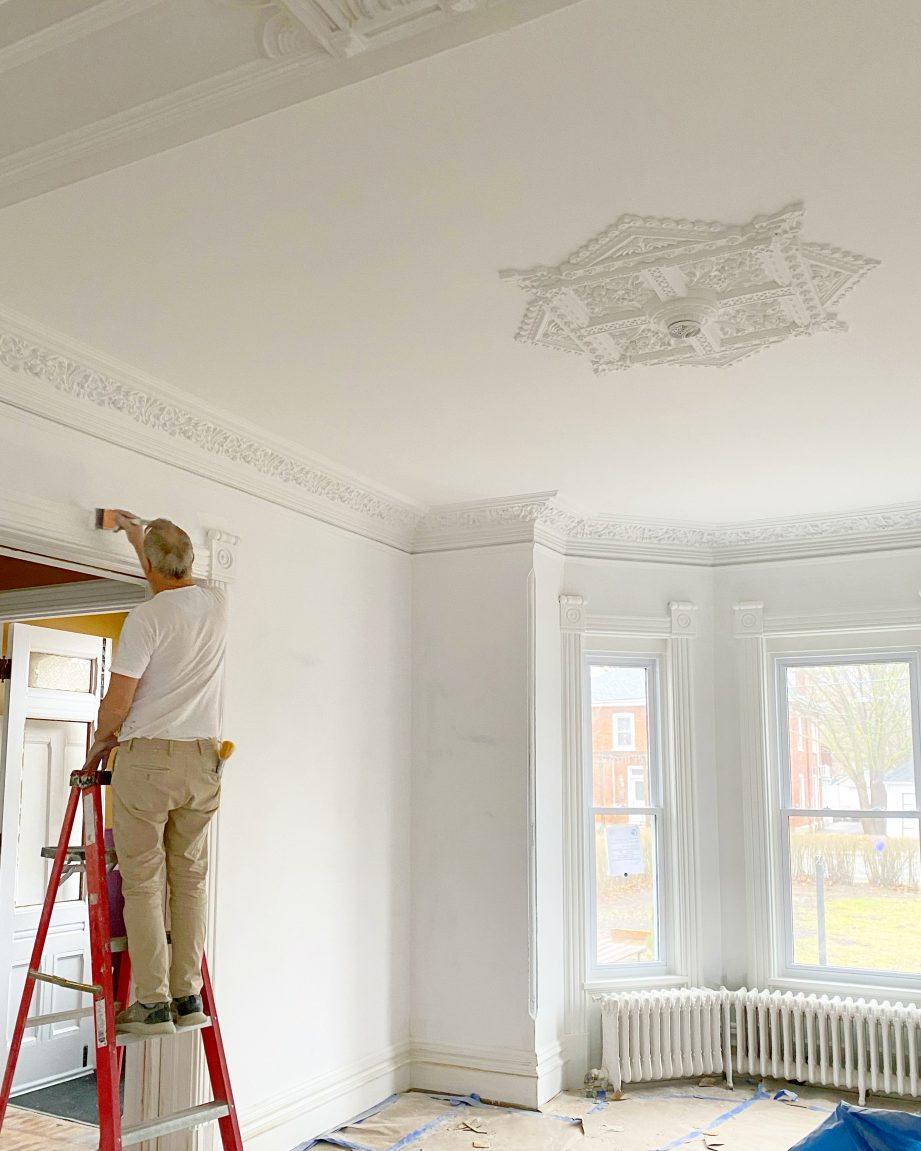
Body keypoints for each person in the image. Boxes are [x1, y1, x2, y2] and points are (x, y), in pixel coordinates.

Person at [86, 512, 228, 1036]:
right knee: (189, 879)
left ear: (148, 565)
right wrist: (138, 534)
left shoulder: (146, 619)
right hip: (205, 760)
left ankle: (151, 1004)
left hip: (149, 761)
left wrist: (99, 748)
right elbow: (169, 568)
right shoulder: (216, 603)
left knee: (143, 881)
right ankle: (187, 997)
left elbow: (118, 702)